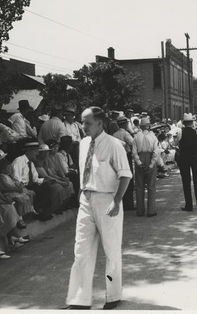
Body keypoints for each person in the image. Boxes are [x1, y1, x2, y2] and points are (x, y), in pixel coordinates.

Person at [66, 107, 131, 310]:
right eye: (82, 122)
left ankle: (113, 295)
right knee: (81, 250)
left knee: (111, 250)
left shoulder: (114, 145)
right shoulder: (83, 144)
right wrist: (81, 194)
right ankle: (79, 299)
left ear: (100, 123)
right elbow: (83, 171)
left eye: (87, 123)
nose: (83, 127)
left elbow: (126, 175)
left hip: (107, 200)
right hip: (86, 200)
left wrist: (117, 201)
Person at [12, 142, 60, 221]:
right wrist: (24, 188)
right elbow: (16, 178)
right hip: (22, 186)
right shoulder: (19, 161)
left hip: (31, 184)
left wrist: (45, 180)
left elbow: (35, 179)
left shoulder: (31, 163)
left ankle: (43, 212)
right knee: (41, 189)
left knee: (48, 186)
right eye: (35, 152)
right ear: (30, 151)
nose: (37, 154)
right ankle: (38, 212)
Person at [178, 113, 197, 212]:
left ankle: (189, 205)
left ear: (184, 123)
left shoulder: (180, 133)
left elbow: (174, 142)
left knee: (186, 181)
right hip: (195, 157)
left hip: (184, 158)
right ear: (192, 123)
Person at [132, 117, 159, 217]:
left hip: (140, 157)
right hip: (150, 157)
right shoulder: (153, 137)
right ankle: (151, 210)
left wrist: (139, 163)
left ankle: (140, 210)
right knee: (151, 186)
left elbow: (134, 152)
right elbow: (156, 152)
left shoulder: (136, 136)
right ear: (148, 126)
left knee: (140, 186)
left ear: (141, 126)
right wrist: (151, 164)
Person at [113, 116, 135, 211]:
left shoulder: (114, 135)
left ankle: (121, 202)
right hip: (126, 156)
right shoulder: (126, 134)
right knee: (128, 180)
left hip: (116, 158)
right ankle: (129, 203)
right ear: (125, 124)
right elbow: (133, 143)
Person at [57, 136, 80, 207]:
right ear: (67, 146)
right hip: (62, 175)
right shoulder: (59, 155)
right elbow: (66, 171)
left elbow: (72, 166)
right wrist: (75, 171)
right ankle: (73, 201)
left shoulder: (68, 155)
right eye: (71, 146)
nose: (72, 148)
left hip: (71, 174)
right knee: (76, 177)